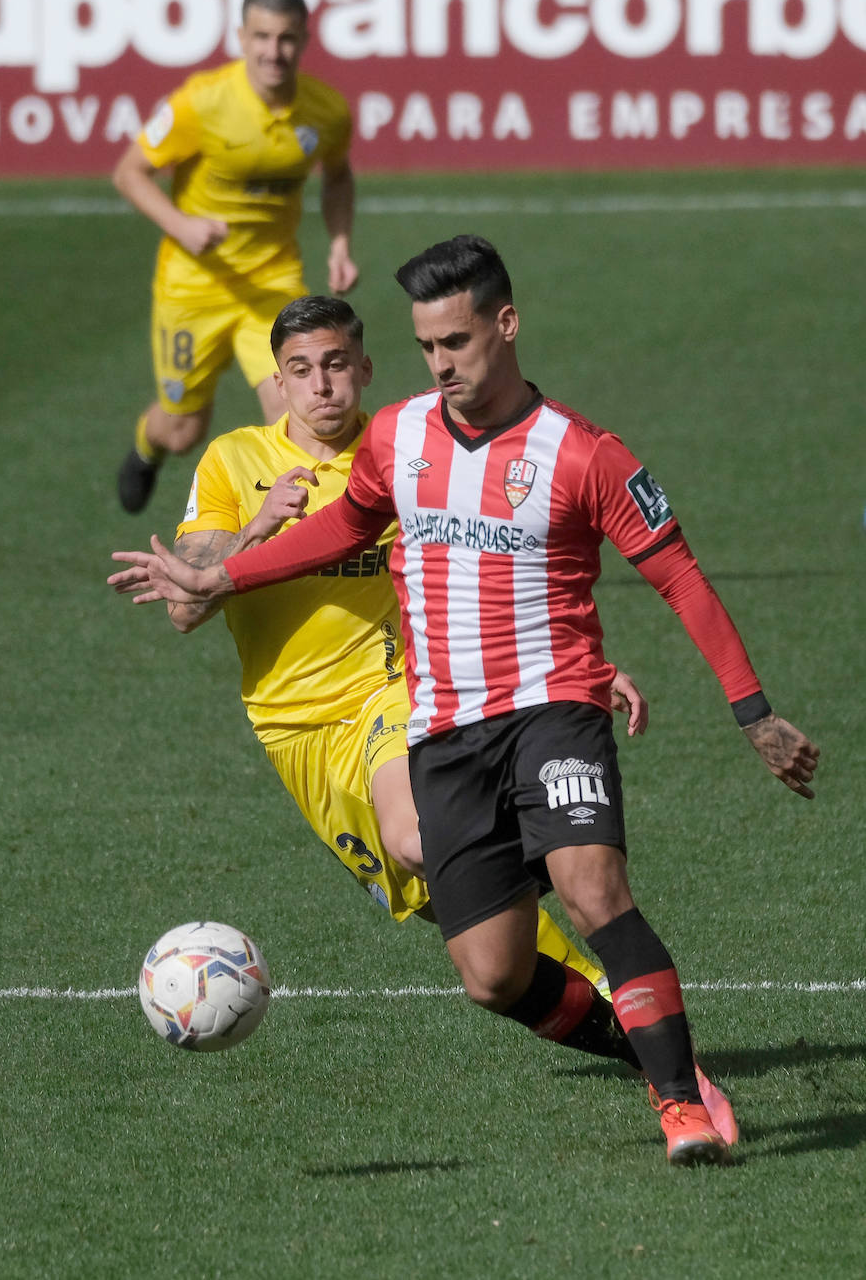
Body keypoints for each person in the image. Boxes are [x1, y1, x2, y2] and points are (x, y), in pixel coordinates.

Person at [110, 292, 743, 1146]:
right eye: (300, 370)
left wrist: (571, 676)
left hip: (404, 690)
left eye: (337, 365)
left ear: (365, 369)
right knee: (452, 914)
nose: (321, 386)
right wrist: (258, 527)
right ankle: (637, 1037)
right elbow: (187, 606)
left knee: (418, 837)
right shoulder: (235, 461)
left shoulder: (404, 445)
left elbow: (502, 572)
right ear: (279, 381)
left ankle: (617, 957)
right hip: (295, 730)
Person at [113, 0, 359, 514]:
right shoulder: (201, 103)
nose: (275, 52)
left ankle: (289, 540)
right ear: (241, 37)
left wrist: (340, 243)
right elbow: (129, 172)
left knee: (291, 415)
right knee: (183, 430)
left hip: (272, 284)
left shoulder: (327, 111)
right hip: (194, 287)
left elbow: (338, 178)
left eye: (287, 39)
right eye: (263, 37)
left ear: (306, 39)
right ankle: (147, 444)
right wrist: (180, 224)